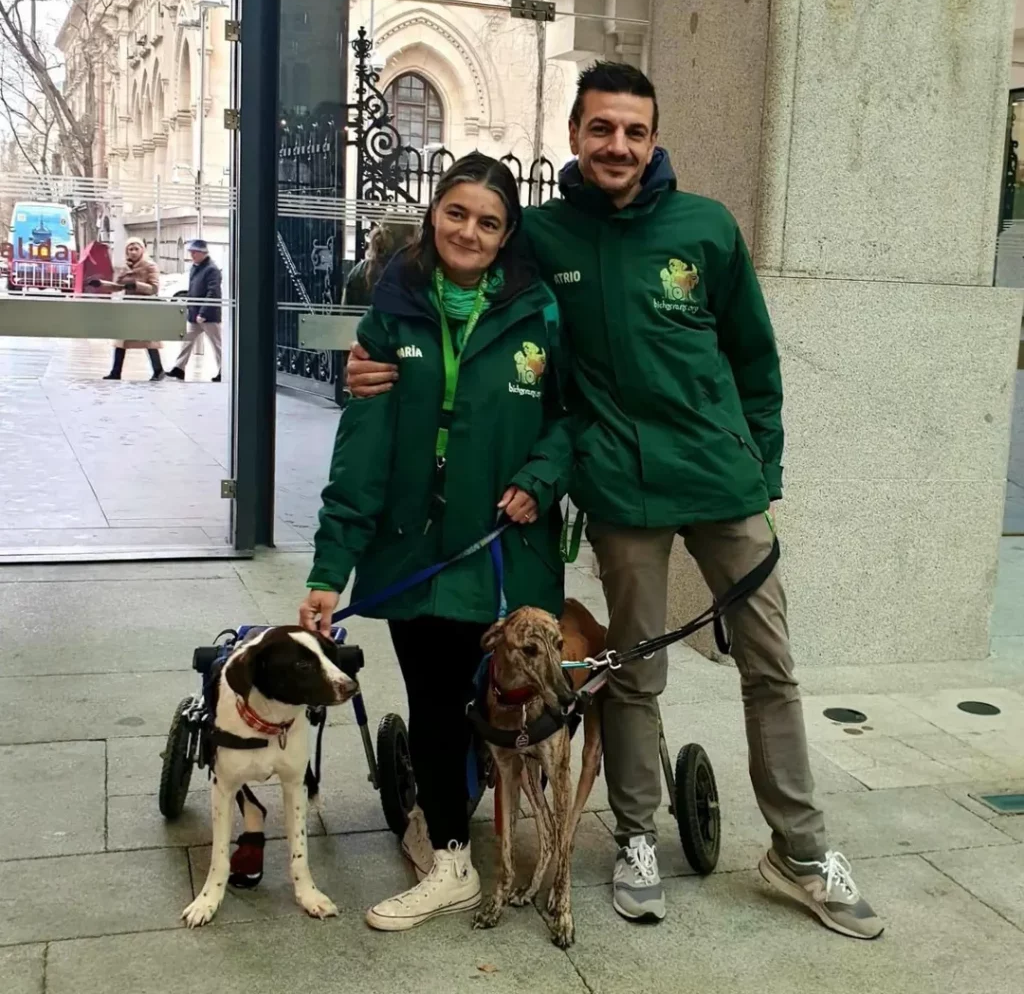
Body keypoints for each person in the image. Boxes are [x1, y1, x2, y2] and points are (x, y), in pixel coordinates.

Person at [346, 63, 883, 940]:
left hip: (722, 482)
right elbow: (449, 264)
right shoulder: (542, 235)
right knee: (631, 673)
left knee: (770, 666)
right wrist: (373, 353)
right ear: (574, 134)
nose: (618, 145)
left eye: (635, 131)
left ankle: (800, 850)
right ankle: (636, 836)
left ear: (654, 138)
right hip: (623, 491)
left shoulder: (707, 227)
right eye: (601, 128)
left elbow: (755, 358)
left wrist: (764, 466)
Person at [298, 153, 572, 933]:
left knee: (513, 703)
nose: (469, 232)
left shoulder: (540, 313)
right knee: (435, 706)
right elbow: (361, 455)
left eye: (488, 221)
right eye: (456, 213)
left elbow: (569, 417)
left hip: (503, 552)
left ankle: (498, 819)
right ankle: (453, 858)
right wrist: (328, 570)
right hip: (415, 554)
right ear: (432, 215)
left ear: (507, 234)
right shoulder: (393, 312)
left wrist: (542, 476)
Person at [100, 237, 164, 381]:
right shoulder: (125, 267)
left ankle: (159, 371)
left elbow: (154, 288)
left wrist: (136, 285)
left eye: (136, 249)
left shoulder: (150, 266)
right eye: (130, 249)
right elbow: (118, 286)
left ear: (142, 250)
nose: (133, 252)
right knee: (121, 340)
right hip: (129, 308)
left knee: (149, 340)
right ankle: (116, 372)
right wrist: (101, 284)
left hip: (144, 308)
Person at [167, 239, 222, 382]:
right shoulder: (195, 268)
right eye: (191, 252)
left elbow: (213, 292)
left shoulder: (211, 269)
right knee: (186, 340)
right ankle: (179, 368)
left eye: (195, 252)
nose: (192, 255)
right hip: (195, 314)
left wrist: (203, 312)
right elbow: (193, 290)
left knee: (216, 344)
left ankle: (224, 370)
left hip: (208, 316)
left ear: (203, 253)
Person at [342, 217, 420, 308]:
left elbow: (344, 311)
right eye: (417, 238)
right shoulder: (413, 275)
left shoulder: (357, 272)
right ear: (408, 240)